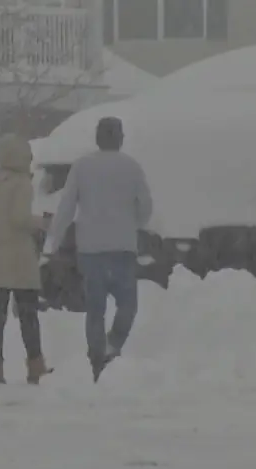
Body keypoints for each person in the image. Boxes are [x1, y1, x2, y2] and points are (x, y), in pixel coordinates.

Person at [45, 117, 153, 382]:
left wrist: (53, 242)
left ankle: (96, 358)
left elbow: (66, 207)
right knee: (128, 304)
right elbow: (146, 207)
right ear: (120, 138)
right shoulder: (132, 167)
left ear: (97, 138)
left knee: (95, 308)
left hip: (90, 249)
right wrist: (133, 223)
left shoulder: (82, 167)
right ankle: (113, 343)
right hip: (123, 248)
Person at [0, 134, 52, 385]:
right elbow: (20, 218)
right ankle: (35, 367)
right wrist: (44, 223)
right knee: (28, 315)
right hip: (20, 261)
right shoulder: (22, 184)